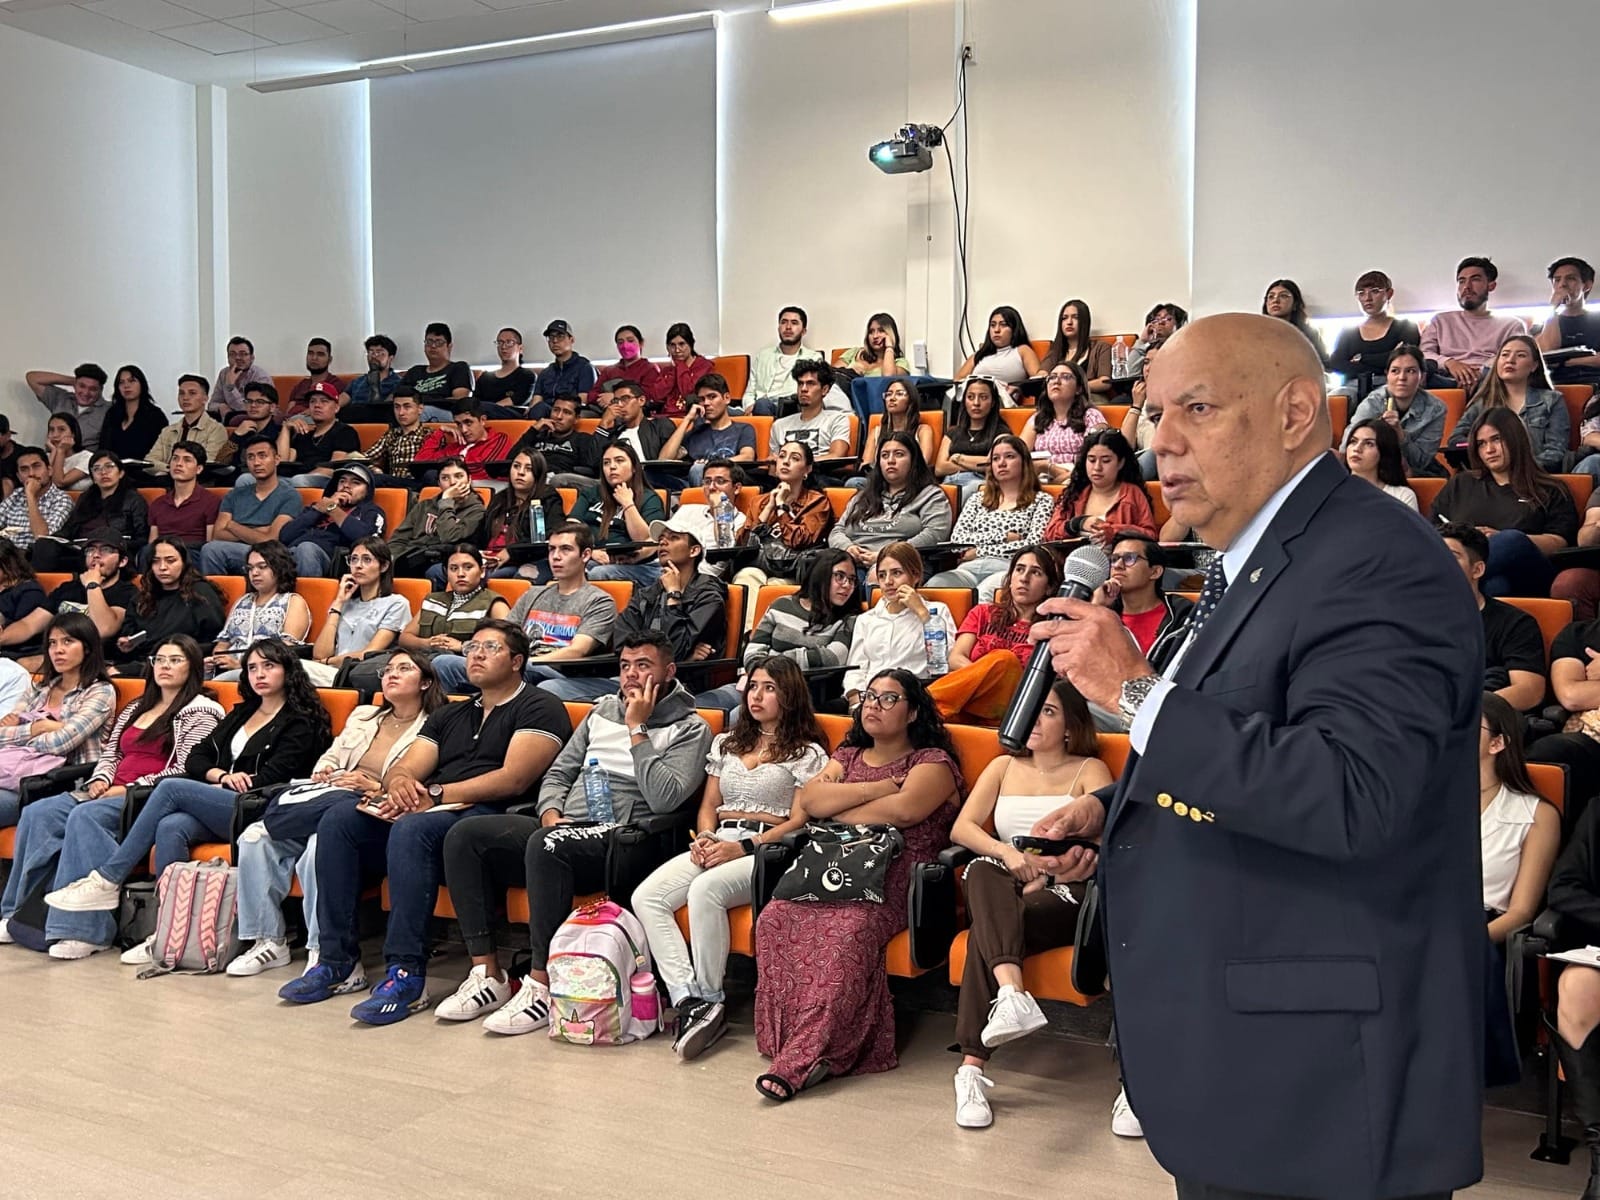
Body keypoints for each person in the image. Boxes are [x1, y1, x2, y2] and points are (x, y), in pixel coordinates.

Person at [1027, 312, 1484, 1197]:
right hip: (1252, 1069)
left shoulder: (1376, 559)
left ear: (1294, 412)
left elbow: (1350, 793)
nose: (1162, 442)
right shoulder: (1259, 559)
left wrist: (1132, 692)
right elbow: (1245, 747)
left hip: (1321, 1083)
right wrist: (1123, 811)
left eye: (1195, 408)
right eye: (1155, 414)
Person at [279, 619, 571, 1020]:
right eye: (472, 648)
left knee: (413, 828)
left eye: (490, 648)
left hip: (491, 816)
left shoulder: (539, 706)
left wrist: (433, 795)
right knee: (341, 819)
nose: (477, 655)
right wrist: (401, 786)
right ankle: (337, 961)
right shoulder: (452, 713)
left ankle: (406, 972)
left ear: (518, 661)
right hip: (432, 807)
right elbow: (408, 766)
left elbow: (513, 777)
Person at [435, 630, 708, 1032]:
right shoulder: (600, 712)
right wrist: (549, 811)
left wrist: (637, 730)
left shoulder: (691, 728)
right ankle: (488, 975)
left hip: (625, 836)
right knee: (467, 835)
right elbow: (560, 771)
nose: (631, 676)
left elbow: (666, 798)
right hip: (563, 827)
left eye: (643, 666)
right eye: (625, 666)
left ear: (668, 672)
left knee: (548, 846)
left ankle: (543, 985)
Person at [754, 669, 962, 1099]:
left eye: (889, 699)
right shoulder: (847, 755)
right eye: (869, 696)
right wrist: (881, 788)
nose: (873, 705)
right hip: (829, 867)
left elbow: (904, 813)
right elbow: (810, 802)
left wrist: (840, 805)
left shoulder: (932, 763)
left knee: (846, 933)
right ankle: (790, 1041)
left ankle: (806, 1060)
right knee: (775, 918)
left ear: (913, 712)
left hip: (895, 878)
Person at [45, 639, 332, 918]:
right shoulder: (243, 711)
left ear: (288, 670)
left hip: (260, 806)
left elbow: (277, 776)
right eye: (253, 668)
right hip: (220, 799)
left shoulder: (300, 721)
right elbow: (197, 757)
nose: (259, 674)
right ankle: (168, 929)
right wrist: (219, 775)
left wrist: (224, 783)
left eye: (268, 666)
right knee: (171, 825)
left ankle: (109, 878)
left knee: (171, 788)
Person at [636, 656, 828, 1057]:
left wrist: (742, 847)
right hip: (719, 838)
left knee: (706, 889)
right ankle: (687, 997)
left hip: (769, 848)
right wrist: (706, 837)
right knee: (646, 897)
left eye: (770, 688)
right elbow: (709, 804)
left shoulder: (806, 752)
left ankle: (710, 997)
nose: (757, 695)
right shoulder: (727, 742)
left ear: (790, 696)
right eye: (753, 686)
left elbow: (800, 821)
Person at [949, 679, 1112, 1128]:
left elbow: (1101, 842)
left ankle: (971, 1065)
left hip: (1066, 888)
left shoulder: (1090, 769)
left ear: (1070, 725)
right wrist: (1009, 855)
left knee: (988, 928)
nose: (1036, 720)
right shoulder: (1002, 766)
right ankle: (1012, 995)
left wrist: (1048, 872)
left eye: (1050, 712)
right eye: (1031, 710)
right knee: (981, 868)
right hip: (1006, 878)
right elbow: (963, 829)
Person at [225, 649, 444, 979]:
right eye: (387, 670)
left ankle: (320, 947)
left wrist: (371, 784)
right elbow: (331, 755)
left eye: (404, 668)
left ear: (426, 682)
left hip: (372, 807)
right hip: (332, 794)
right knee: (254, 837)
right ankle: (268, 940)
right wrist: (327, 771)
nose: (391, 675)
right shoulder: (364, 715)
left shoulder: (436, 724)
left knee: (319, 845)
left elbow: (419, 778)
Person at [0, 634, 222, 959]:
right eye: (159, 659)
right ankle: (16, 913)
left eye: (175, 660)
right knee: (39, 813)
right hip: (108, 789)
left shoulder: (202, 710)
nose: (165, 667)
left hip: (148, 797)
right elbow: (110, 754)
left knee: (85, 818)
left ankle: (85, 931)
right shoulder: (137, 706)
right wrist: (102, 779)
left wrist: (127, 788)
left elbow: (185, 770)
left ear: (192, 667)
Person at [538, 512, 726, 704]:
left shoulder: (709, 596)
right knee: (545, 686)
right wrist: (685, 656)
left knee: (548, 688)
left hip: (675, 688)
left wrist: (673, 595)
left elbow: (674, 652)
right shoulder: (648, 593)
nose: (663, 543)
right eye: (661, 539)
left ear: (694, 551)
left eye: (673, 538)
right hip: (628, 680)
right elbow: (623, 641)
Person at [433, 525, 616, 695]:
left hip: (552, 671)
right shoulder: (533, 594)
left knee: (536, 680)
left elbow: (577, 651)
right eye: (552, 549)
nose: (556, 556)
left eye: (565, 549)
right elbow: (502, 636)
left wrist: (519, 663)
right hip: (515, 665)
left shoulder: (599, 601)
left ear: (585, 555)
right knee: (444, 663)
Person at [1432, 408, 1577, 596]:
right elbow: (1433, 530)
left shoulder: (1551, 488)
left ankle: (1446, 586)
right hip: (1484, 579)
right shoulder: (1461, 483)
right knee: (1496, 585)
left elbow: (1560, 542)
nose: (1489, 450)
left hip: (1529, 574)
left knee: (1512, 539)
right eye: (1481, 444)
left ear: (1515, 439)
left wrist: (1500, 540)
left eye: (1496, 440)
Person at [697, 546, 861, 712]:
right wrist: (765, 673)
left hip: (796, 692)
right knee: (698, 707)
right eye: (839, 576)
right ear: (821, 574)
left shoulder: (849, 619)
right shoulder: (782, 604)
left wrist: (775, 664)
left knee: (737, 716)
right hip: (755, 683)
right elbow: (753, 650)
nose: (847, 585)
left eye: (852, 580)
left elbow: (832, 657)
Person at [0, 612, 116, 832]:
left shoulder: (99, 691)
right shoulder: (40, 689)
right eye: (52, 643)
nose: (58, 650)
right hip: (9, 776)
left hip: (53, 785)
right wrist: (40, 727)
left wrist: (20, 733)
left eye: (67, 641)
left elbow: (61, 743)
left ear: (88, 647)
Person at [354, 545, 510, 694]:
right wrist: (427, 643)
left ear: (482, 571)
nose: (460, 574)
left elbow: (507, 644)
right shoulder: (433, 600)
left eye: (468, 567)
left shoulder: (493, 602)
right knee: (362, 674)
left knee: (441, 664)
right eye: (453, 569)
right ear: (446, 573)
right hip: (424, 659)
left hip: (461, 665)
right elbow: (405, 638)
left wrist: (463, 646)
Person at [931, 545, 1058, 724]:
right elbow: (956, 658)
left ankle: (925, 704)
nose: (1024, 578)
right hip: (966, 705)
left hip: (1013, 712)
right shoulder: (983, 612)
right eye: (1019, 569)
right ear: (1010, 578)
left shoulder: (1051, 630)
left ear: (1049, 588)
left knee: (1005, 660)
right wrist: (982, 680)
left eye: (1036, 573)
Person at [927, 436, 1053, 591]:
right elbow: (958, 541)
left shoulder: (1041, 500)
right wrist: (1005, 537)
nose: (1002, 463)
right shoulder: (977, 499)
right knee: (936, 585)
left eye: (1010, 457)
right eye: (995, 458)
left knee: (986, 590)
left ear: (1024, 463)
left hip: (1009, 567)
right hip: (969, 568)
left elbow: (1034, 544)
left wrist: (979, 550)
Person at [842, 543, 955, 707]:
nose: (888, 581)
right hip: (869, 700)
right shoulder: (867, 619)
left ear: (915, 576)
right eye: (882, 575)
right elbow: (855, 669)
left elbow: (945, 662)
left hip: (913, 699)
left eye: (896, 573)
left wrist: (922, 614)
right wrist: (855, 702)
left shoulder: (937, 612)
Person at [0, 535, 135, 667]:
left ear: (122, 561)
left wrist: (92, 585)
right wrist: (2, 637)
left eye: (106, 550)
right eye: (90, 550)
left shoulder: (126, 592)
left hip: (95, 659)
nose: (96, 555)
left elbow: (103, 629)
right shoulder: (68, 589)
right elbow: (29, 625)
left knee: (23, 664)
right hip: (54, 651)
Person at [831, 433, 952, 580]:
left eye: (899, 454)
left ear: (914, 460)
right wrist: (848, 548)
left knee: (880, 574)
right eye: (884, 455)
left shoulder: (930, 495)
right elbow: (838, 530)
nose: (891, 461)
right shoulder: (863, 496)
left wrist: (888, 554)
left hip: (903, 563)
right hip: (854, 563)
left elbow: (935, 534)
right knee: (825, 574)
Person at [1448, 335, 1568, 473]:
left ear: (1534, 366)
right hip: (1491, 477)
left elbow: (1555, 452)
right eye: (1504, 355)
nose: (1510, 360)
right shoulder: (1482, 403)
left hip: (1534, 477)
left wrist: (1516, 469)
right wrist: (1484, 452)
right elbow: (1456, 441)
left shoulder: (1552, 400)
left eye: (1520, 355)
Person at [301, 536, 410, 687]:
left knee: (285, 668)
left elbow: (369, 654)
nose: (358, 566)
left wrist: (327, 661)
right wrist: (338, 603)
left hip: (355, 674)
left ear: (384, 566)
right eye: (353, 559)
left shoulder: (396, 603)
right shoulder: (345, 604)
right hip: (326, 672)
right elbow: (319, 654)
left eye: (366, 559)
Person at [108, 538, 225, 675]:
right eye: (156, 561)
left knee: (114, 673)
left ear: (184, 563)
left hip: (182, 661)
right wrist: (128, 644)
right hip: (144, 661)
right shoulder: (143, 596)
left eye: (170, 561)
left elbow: (214, 640)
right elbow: (129, 636)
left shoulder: (200, 592)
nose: (162, 567)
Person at [208, 540, 314, 681]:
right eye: (250, 568)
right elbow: (223, 643)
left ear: (279, 568)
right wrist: (218, 659)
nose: (255, 573)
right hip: (230, 671)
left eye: (262, 567)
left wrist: (240, 665)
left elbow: (286, 650)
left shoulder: (293, 601)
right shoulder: (243, 601)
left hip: (268, 673)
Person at [197, 435, 304, 576]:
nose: (256, 462)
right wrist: (259, 531)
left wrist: (232, 526)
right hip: (236, 552)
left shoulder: (290, 496)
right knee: (210, 549)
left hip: (270, 555)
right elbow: (218, 535)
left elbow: (271, 539)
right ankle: (214, 596)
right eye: (251, 457)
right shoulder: (234, 495)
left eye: (262, 456)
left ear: (277, 459)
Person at [736, 439, 834, 588]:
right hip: (760, 565)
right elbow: (743, 544)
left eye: (795, 458)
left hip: (792, 570)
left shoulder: (817, 502)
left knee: (775, 586)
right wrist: (769, 508)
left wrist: (782, 506)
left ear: (807, 469)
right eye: (782, 456)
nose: (786, 462)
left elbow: (798, 541)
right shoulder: (758, 501)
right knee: (746, 577)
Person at [1421, 256, 1529, 389]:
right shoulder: (1440, 320)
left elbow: (1513, 357)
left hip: (1490, 380)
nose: (1467, 286)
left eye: (1475, 279)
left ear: (1491, 285)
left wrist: (1479, 373)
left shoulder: (1511, 324)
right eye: (1461, 281)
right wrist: (1450, 363)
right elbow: (1424, 353)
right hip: (1445, 378)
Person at [1340, 344, 1447, 476]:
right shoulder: (1373, 402)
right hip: (1373, 465)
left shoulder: (1436, 409)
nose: (1402, 378)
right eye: (1395, 371)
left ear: (1422, 377)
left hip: (1413, 469)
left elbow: (1421, 461)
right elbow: (1346, 447)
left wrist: (1400, 435)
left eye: (1411, 371)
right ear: (1387, 375)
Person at [33, 450, 149, 573]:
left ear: (121, 473)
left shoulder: (133, 499)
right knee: (44, 545)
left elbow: (141, 538)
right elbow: (69, 529)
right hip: (81, 549)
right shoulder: (85, 498)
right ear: (93, 478)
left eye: (109, 467)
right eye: (97, 469)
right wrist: (52, 539)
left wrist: (114, 543)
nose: (103, 472)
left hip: (110, 550)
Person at [1095, 533, 1194, 671]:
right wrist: (1096, 608)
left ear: (1155, 572)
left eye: (1129, 558)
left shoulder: (1182, 616)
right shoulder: (1104, 613)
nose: (1117, 565)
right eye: (1114, 559)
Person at [1041, 429, 1158, 543]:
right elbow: (1049, 534)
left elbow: (1150, 535)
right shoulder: (1075, 492)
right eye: (1091, 460)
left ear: (1121, 463)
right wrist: (1078, 523)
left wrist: (1115, 532)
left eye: (1106, 461)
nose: (1097, 467)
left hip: (1119, 560)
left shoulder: (1132, 493)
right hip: (1076, 559)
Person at [278, 462, 390, 580]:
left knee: (306, 549)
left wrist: (333, 509)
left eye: (355, 482)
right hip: (292, 553)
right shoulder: (318, 507)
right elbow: (285, 536)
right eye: (342, 481)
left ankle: (309, 596)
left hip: (332, 560)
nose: (346, 486)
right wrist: (318, 510)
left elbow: (369, 541)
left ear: (367, 491)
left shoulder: (371, 511)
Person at [575, 441, 667, 585]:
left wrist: (627, 504)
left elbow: (645, 541)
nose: (612, 467)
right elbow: (571, 528)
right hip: (593, 557)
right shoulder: (591, 494)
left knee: (598, 573)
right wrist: (590, 552)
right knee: (570, 568)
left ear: (634, 468)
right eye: (606, 463)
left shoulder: (650, 498)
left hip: (637, 564)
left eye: (619, 461)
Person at [475, 448, 566, 584]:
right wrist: (476, 553)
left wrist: (511, 553)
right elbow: (480, 533)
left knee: (491, 578)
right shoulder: (500, 499)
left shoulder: (547, 498)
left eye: (528, 469)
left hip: (521, 560)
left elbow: (550, 536)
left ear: (538, 474)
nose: (520, 472)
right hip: (489, 559)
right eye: (516, 466)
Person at [387, 457, 485, 579]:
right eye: (445, 478)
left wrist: (446, 501)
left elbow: (449, 537)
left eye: (459, 476)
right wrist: (391, 560)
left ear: (469, 480)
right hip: (409, 558)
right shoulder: (424, 506)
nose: (453, 482)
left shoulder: (476, 511)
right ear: (438, 483)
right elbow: (399, 539)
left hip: (439, 558)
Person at [1326, 271, 1422, 394]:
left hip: (1392, 384)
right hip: (1352, 386)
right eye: (1361, 293)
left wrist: (1361, 358)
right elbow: (1337, 364)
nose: (1367, 298)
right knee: (1334, 399)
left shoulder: (1406, 327)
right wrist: (1385, 361)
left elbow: (1404, 360)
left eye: (1375, 291)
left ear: (1389, 293)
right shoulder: (1348, 332)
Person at [658, 373, 758, 486]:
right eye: (702, 399)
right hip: (692, 484)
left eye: (712, 397)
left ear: (727, 398)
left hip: (726, 483)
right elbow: (664, 459)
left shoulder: (743, 429)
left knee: (698, 469)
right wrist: (687, 420)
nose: (706, 403)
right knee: (649, 475)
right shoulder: (696, 432)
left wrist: (709, 466)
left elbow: (747, 456)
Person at [1022, 361, 1108, 483]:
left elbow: (1097, 459)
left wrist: (1057, 474)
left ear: (1078, 388)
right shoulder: (1037, 418)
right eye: (1052, 377)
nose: (1056, 381)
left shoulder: (1091, 416)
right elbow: (1019, 454)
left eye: (1066, 377)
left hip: (1078, 476)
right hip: (1041, 477)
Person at [144, 442, 221, 560]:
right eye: (175, 458)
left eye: (187, 460)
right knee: (146, 553)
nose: (179, 464)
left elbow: (210, 545)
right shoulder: (158, 503)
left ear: (199, 469)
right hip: (161, 554)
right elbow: (152, 543)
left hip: (192, 554)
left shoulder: (211, 501)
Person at [935, 376, 1007, 500]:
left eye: (983, 397)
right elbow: (940, 468)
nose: (976, 403)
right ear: (964, 401)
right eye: (970, 397)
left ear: (993, 402)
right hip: (949, 482)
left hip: (979, 483)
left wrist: (958, 458)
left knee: (967, 492)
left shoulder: (1001, 432)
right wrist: (976, 463)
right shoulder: (953, 432)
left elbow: (992, 464)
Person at [512, 394, 602, 490]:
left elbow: (592, 469)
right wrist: (533, 430)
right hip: (532, 477)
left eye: (567, 412)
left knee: (557, 479)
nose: (559, 416)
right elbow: (511, 460)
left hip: (559, 481)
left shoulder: (582, 439)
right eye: (556, 410)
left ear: (576, 419)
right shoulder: (537, 436)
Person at [144, 374, 229, 475]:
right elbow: (149, 462)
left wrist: (173, 468)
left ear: (205, 398)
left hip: (200, 483)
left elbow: (208, 464)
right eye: (181, 393)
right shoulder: (168, 431)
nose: (185, 398)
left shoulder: (216, 429)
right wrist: (170, 469)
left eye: (192, 393)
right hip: (166, 480)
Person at [278, 384, 359, 488]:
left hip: (324, 480)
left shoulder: (345, 432)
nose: (317, 405)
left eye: (324, 401)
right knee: (252, 479)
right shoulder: (304, 433)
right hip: (293, 480)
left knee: (297, 481)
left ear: (336, 408)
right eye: (313, 401)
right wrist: (285, 428)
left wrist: (299, 478)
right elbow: (282, 462)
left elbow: (334, 468)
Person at [1536, 256, 1600, 387]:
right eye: (1557, 280)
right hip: (1553, 386)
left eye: (1570, 278)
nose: (1562, 284)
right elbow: (1547, 351)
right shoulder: (1545, 324)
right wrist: (1552, 307)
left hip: (1595, 382)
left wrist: (1564, 361)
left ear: (1586, 285)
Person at [748, 306, 825, 412]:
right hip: (758, 407)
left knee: (762, 403)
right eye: (783, 322)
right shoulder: (763, 355)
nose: (788, 327)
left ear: (803, 331)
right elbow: (750, 391)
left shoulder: (812, 358)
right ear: (778, 328)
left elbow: (812, 392)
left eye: (794, 323)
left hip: (789, 408)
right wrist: (749, 406)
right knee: (722, 410)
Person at [770, 361, 852, 459]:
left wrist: (800, 464)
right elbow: (773, 464)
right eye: (800, 383)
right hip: (785, 473)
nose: (803, 389)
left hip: (820, 472)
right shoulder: (779, 425)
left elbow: (837, 455)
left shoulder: (837, 420)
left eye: (810, 383)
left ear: (824, 390)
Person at [413, 403, 510, 484]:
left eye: (468, 422)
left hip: (485, 486)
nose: (464, 430)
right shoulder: (456, 446)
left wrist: (448, 467)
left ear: (482, 420)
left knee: (431, 476)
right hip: (451, 488)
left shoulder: (498, 439)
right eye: (459, 424)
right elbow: (420, 462)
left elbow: (483, 470)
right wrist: (440, 431)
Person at [0, 445, 72, 553]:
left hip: (36, 559)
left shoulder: (62, 500)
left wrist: (30, 496)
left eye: (36, 466)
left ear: (49, 470)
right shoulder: (14, 496)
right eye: (24, 469)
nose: (31, 474)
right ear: (19, 477)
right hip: (8, 558)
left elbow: (42, 538)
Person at [25, 362, 111, 450]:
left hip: (84, 460)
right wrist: (72, 381)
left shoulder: (109, 410)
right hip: (52, 456)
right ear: (75, 385)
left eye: (92, 389)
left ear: (101, 390)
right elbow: (32, 378)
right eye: (82, 386)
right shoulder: (61, 399)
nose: (86, 393)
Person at [857, 378, 935, 475]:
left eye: (899, 394)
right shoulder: (876, 432)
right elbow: (866, 465)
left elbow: (923, 463)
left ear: (911, 399)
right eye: (888, 394)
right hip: (879, 479)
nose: (892, 398)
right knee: (854, 482)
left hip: (911, 479)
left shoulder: (922, 430)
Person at [955, 306, 1041, 393]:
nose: (996, 330)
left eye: (1003, 325)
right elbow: (958, 380)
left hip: (1002, 400)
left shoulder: (1022, 350)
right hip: (972, 399)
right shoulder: (980, 354)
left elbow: (1038, 380)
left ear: (1014, 329)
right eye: (992, 325)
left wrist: (1019, 388)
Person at [396, 322, 472, 418]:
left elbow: (459, 399)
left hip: (446, 412)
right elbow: (397, 397)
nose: (433, 346)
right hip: (414, 410)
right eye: (429, 342)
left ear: (449, 346)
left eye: (439, 342)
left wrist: (423, 402)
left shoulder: (458, 368)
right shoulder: (415, 371)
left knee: (422, 412)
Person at [1342, 418, 1419, 511]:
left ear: (1384, 451)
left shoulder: (1402, 496)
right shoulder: (1330, 490)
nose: (1357, 448)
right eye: (1353, 441)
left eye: (1369, 444)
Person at [1037, 298, 1113, 393]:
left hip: (1089, 398)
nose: (1069, 322)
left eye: (1075, 317)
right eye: (1064, 318)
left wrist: (1075, 388)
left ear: (1084, 322)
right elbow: (1042, 374)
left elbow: (1104, 382)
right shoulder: (1055, 350)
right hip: (1058, 401)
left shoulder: (1101, 347)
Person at [97, 365, 169, 463]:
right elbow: (104, 447)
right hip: (113, 470)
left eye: (132, 381)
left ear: (142, 384)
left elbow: (161, 452)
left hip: (144, 471)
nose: (126, 386)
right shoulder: (112, 413)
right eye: (121, 382)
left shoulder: (155, 415)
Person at [595, 379, 677, 465]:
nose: (620, 405)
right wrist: (603, 424)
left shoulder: (660, 426)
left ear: (641, 400)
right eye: (616, 401)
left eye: (625, 399)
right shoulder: (613, 433)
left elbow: (669, 463)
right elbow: (593, 464)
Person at [587, 325, 668, 410]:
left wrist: (615, 397)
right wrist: (603, 398)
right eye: (620, 342)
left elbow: (648, 396)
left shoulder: (650, 369)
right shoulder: (609, 370)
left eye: (630, 340)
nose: (625, 345)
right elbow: (592, 395)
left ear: (641, 343)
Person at [362, 393, 430, 487]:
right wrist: (373, 468)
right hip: (392, 482)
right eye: (397, 407)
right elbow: (366, 458)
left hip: (418, 483)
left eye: (407, 407)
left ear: (420, 409)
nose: (401, 413)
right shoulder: (391, 434)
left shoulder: (429, 435)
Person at [531, 320, 597, 412]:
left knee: (541, 409)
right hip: (544, 412)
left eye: (560, 336)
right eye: (551, 337)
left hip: (569, 412)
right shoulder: (546, 372)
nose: (555, 341)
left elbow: (583, 402)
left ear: (571, 340)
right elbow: (536, 401)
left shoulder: (584, 367)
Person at [1120, 342, 1163, 480]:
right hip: (1145, 463)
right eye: (1146, 362)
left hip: (1168, 460)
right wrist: (1136, 406)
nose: (1148, 369)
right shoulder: (1143, 402)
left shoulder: (1179, 400)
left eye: (1157, 362)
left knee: (1155, 451)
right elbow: (1125, 445)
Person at [1261, 278, 1328, 365]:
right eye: (1271, 297)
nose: (1275, 300)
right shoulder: (1257, 332)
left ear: (1295, 304)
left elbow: (1324, 364)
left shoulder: (1309, 333)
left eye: (1283, 296)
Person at [336, 334, 402, 419]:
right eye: (371, 352)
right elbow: (338, 404)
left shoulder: (398, 382)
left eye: (379, 352)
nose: (374, 356)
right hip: (354, 420)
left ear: (390, 358)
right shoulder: (357, 382)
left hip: (381, 421)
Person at [657, 322, 715, 418]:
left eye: (681, 344)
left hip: (690, 416)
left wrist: (680, 366)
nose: (677, 350)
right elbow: (657, 395)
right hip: (665, 416)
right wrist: (673, 372)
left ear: (691, 344)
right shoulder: (667, 370)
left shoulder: (704, 366)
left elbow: (688, 392)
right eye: (672, 345)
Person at [209, 336, 273, 422]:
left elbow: (250, 408)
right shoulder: (224, 374)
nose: (237, 358)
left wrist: (230, 387)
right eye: (232, 354)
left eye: (243, 354)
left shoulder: (260, 377)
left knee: (236, 419)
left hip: (256, 417)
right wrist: (220, 407)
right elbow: (212, 404)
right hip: (228, 416)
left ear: (252, 358)